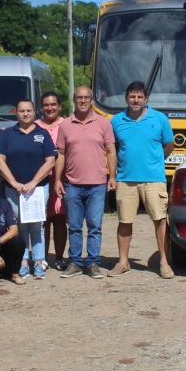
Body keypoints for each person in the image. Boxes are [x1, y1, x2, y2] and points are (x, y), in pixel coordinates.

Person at [108, 81, 175, 279]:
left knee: (160, 220)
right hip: (125, 179)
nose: (135, 100)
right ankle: (123, 262)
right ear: (126, 98)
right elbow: (112, 149)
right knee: (124, 221)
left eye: (139, 97)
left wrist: (154, 160)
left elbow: (169, 145)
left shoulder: (160, 119)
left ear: (145, 99)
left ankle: (164, 261)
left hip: (153, 179)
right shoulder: (116, 121)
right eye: (132, 97)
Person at [55, 85, 117, 279]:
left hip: (97, 184)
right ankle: (74, 262)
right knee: (73, 226)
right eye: (79, 98)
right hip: (72, 184)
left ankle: (92, 263)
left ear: (92, 100)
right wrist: (57, 179)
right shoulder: (65, 125)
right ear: (74, 100)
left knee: (94, 226)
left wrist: (112, 177)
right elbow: (61, 154)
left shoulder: (103, 123)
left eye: (86, 98)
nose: (82, 101)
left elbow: (111, 151)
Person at [0, 99, 57, 279]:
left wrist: (33, 182)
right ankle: (21, 261)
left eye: (28, 110)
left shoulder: (42, 134)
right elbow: (0, 160)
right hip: (14, 189)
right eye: (22, 111)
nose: (25, 114)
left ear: (34, 112)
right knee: (19, 226)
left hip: (37, 189)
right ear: (17, 113)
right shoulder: (7, 134)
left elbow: (50, 161)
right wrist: (14, 182)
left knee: (37, 226)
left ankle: (39, 261)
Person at [37, 91, 69, 270]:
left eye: (53, 105)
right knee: (42, 221)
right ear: (42, 107)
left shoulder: (67, 124)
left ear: (59, 106)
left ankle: (58, 257)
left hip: (61, 179)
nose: (50, 108)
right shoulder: (34, 126)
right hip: (40, 180)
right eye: (46, 105)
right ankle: (42, 257)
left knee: (59, 219)